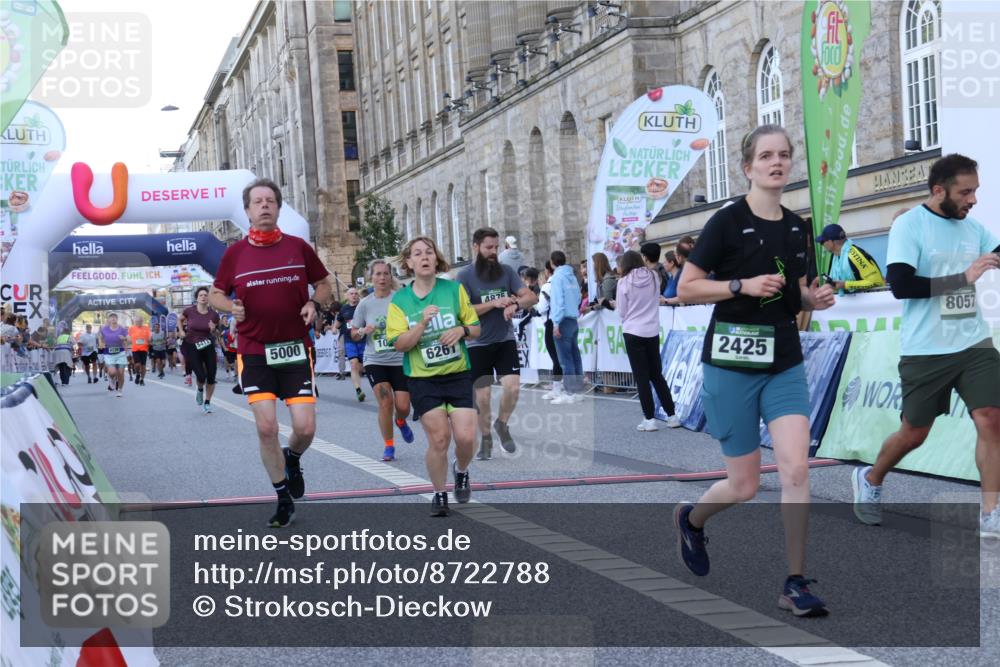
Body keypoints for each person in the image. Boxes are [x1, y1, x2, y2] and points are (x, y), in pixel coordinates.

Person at [673, 125, 837, 617]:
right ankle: (692, 519)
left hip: (784, 361)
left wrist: (815, 298)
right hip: (731, 363)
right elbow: (686, 287)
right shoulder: (726, 221)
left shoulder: (797, 225)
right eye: (766, 156)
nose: (777, 162)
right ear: (748, 167)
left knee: (795, 469)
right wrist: (740, 285)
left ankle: (795, 581)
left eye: (784, 155)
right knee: (743, 485)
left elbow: (799, 291)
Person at [851, 153, 1000, 537]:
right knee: (915, 433)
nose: (973, 199)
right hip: (926, 349)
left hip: (973, 343)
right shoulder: (910, 226)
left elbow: (997, 252)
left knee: (991, 418)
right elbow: (901, 285)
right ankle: (871, 477)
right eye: (965, 192)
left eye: (975, 191)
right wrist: (962, 277)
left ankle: (991, 513)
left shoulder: (972, 228)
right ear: (939, 191)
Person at [209, 178, 332, 528]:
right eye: (257, 202)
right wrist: (229, 306)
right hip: (255, 350)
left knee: (305, 428)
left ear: (278, 208)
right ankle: (282, 497)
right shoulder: (234, 254)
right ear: (247, 211)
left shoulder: (298, 247)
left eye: (270, 201)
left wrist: (313, 302)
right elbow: (217, 293)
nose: (264, 206)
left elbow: (323, 285)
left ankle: (292, 457)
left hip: (295, 349)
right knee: (266, 428)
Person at [386, 237, 480, 516]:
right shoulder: (400, 301)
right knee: (439, 439)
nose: (425, 257)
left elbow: (475, 328)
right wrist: (423, 323)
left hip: (458, 373)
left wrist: (462, 331)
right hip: (423, 379)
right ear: (409, 263)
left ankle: (461, 470)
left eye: (429, 252)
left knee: (466, 438)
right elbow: (400, 344)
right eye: (418, 253)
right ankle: (439, 493)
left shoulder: (453, 290)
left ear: (436, 259)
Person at [457, 228, 538, 459]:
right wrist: (494, 304)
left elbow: (531, 297)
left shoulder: (507, 272)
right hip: (477, 343)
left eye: (496, 247)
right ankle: (486, 437)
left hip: (504, 339)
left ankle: (502, 425)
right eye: (488, 248)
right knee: (482, 397)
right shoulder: (464, 276)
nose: (493, 252)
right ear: (476, 247)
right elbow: (463, 311)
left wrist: (516, 305)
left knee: (512, 388)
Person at [352, 258, 415, 462]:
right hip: (375, 360)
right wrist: (362, 331)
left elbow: (413, 323)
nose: (382, 277)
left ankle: (400, 420)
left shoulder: (401, 299)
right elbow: (353, 333)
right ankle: (389, 445)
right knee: (386, 402)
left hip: (400, 359)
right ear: (371, 277)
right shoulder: (365, 304)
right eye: (378, 274)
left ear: (391, 277)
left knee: (404, 406)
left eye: (385, 274)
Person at [615, 250, 681, 431]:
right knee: (657, 375)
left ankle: (649, 418)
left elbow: (621, 311)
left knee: (641, 377)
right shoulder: (653, 276)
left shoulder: (624, 282)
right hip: (652, 330)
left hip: (633, 330)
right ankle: (672, 415)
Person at [548, 250, 584, 405]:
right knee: (575, 356)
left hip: (562, 319)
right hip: (573, 318)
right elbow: (578, 297)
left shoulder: (557, 277)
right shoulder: (573, 276)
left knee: (565, 358)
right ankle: (577, 390)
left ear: (552, 262)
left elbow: (557, 301)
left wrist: (556, 322)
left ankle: (570, 392)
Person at [179, 286, 221, 414]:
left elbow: (218, 334)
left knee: (211, 376)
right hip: (192, 345)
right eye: (201, 295)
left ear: (209, 299)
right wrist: (181, 331)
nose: (203, 297)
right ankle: (200, 389)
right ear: (197, 298)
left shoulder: (214, 315)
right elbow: (179, 319)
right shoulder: (189, 311)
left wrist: (214, 329)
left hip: (208, 345)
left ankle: (207, 402)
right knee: (201, 376)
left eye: (206, 295)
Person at [816, 223, 885, 293]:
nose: (822, 245)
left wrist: (846, 284)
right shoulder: (836, 256)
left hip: (873, 300)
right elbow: (839, 284)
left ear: (830, 242)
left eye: (822, 242)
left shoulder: (854, 255)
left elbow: (876, 281)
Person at [536, 261, 565, 400]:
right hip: (566, 321)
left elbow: (542, 308)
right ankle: (568, 387)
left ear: (548, 271)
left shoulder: (547, 286)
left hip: (551, 322)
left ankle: (558, 388)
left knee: (555, 357)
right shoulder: (566, 283)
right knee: (566, 356)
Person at [336, 287, 367, 402]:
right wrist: (334, 328)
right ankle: (358, 390)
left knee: (360, 367)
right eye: (351, 294)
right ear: (347, 296)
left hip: (363, 340)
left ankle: (360, 382)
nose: (354, 295)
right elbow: (338, 321)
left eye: (355, 293)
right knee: (353, 365)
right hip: (350, 341)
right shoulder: (344, 309)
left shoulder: (363, 307)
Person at [99, 313, 130, 397]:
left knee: (121, 373)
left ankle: (120, 390)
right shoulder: (104, 329)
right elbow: (100, 337)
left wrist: (124, 339)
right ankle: (112, 379)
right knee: (112, 372)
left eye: (114, 317)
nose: (113, 319)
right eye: (111, 317)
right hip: (108, 353)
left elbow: (129, 338)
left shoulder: (122, 329)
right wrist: (101, 343)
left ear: (117, 319)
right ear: (109, 319)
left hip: (120, 353)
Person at [129, 314, 151, 386]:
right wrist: (127, 340)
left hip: (144, 349)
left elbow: (149, 336)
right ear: (135, 321)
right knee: (137, 364)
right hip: (135, 349)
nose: (139, 322)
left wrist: (150, 339)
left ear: (142, 321)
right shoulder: (131, 328)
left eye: (140, 321)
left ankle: (142, 379)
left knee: (143, 366)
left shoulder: (146, 328)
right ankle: (138, 374)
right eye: (137, 321)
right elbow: (128, 337)